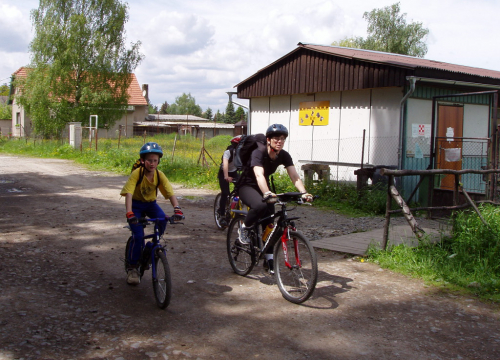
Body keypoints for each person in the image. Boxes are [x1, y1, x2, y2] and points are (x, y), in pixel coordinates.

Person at [236, 124, 313, 273]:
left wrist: (303, 192)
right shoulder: (258, 152)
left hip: (264, 188)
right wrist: (267, 193)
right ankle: (244, 229)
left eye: (283, 139)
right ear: (268, 140)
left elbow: (294, 175)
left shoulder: (283, 155)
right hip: (247, 185)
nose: (280, 141)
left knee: (270, 225)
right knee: (260, 206)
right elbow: (259, 174)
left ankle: (269, 258)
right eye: (276, 138)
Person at [120, 142, 183, 285]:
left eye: (155, 160)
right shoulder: (137, 173)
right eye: (149, 160)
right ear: (143, 161)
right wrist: (129, 212)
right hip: (136, 205)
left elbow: (169, 192)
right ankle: (133, 268)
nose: (152, 163)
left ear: (158, 161)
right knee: (138, 235)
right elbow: (129, 193)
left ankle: (154, 246)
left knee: (162, 219)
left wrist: (177, 208)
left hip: (151, 205)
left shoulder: (159, 175)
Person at [217, 135, 242, 226]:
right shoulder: (228, 152)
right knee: (225, 193)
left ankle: (235, 206)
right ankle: (222, 214)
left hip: (234, 172)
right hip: (224, 172)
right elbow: (225, 165)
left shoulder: (244, 153)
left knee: (241, 190)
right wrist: (226, 176)